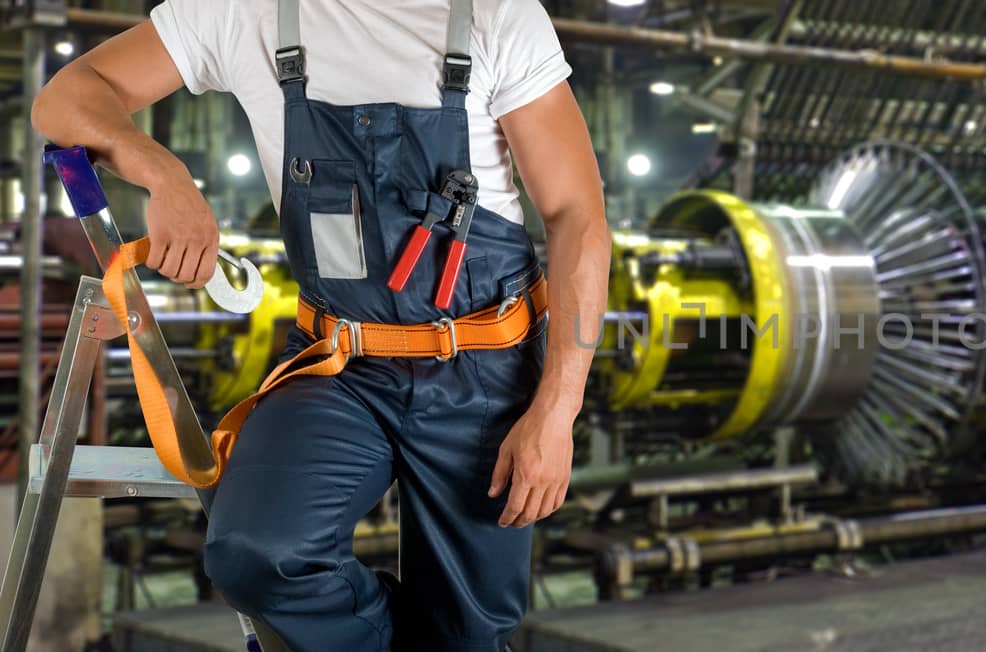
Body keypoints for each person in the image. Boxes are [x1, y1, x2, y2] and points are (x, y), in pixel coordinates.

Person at [32, 0, 610, 649]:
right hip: (337, 364)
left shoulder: (493, 14)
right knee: (256, 554)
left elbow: (577, 217)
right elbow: (67, 97)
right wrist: (163, 174)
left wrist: (557, 412)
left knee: (468, 634)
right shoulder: (244, 12)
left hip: (481, 369)